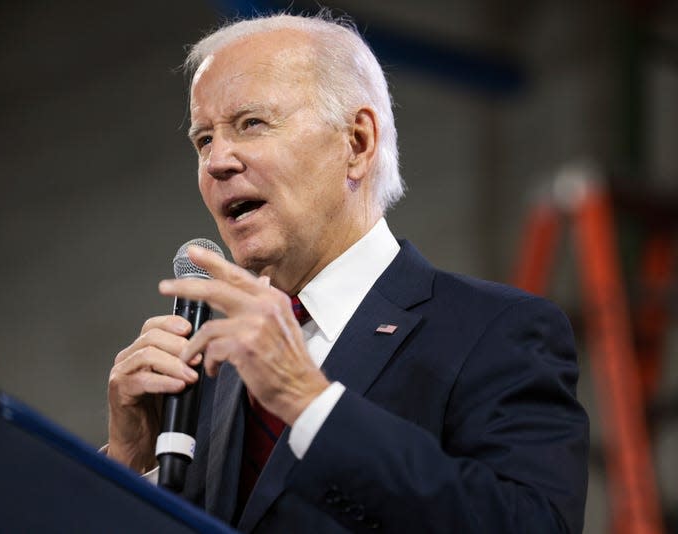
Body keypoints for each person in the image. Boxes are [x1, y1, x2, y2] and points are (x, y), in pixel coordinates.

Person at [106, 12, 588, 533]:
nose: (217, 160)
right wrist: (130, 460)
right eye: (203, 140)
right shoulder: (208, 376)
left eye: (252, 124)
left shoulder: (495, 330)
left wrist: (308, 401)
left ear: (357, 142)